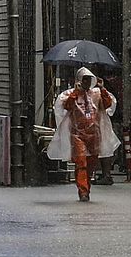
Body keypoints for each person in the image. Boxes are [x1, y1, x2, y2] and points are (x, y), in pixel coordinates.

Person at [47, 67, 117, 201]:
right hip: (77, 134)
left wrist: (102, 89)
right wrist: (75, 92)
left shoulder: (97, 93)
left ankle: (86, 188)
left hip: (94, 134)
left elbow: (108, 105)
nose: (86, 82)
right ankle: (83, 191)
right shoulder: (70, 94)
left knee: (91, 163)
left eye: (89, 79)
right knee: (81, 162)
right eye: (84, 79)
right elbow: (66, 107)